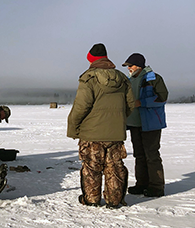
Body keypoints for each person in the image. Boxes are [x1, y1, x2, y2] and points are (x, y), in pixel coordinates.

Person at [67, 43, 135, 208]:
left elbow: (81, 107)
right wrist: (118, 120)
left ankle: (91, 200)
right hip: (115, 133)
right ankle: (114, 200)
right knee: (114, 167)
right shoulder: (122, 78)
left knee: (92, 167)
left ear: (91, 59)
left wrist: (73, 128)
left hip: (92, 133)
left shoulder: (89, 78)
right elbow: (131, 104)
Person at [123, 53, 168, 197]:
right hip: (134, 124)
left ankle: (156, 187)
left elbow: (162, 98)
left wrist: (142, 102)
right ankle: (141, 184)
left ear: (139, 65)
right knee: (139, 155)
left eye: (131, 65)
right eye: (128, 66)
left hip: (151, 124)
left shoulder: (154, 78)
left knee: (152, 155)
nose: (129, 68)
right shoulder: (129, 81)